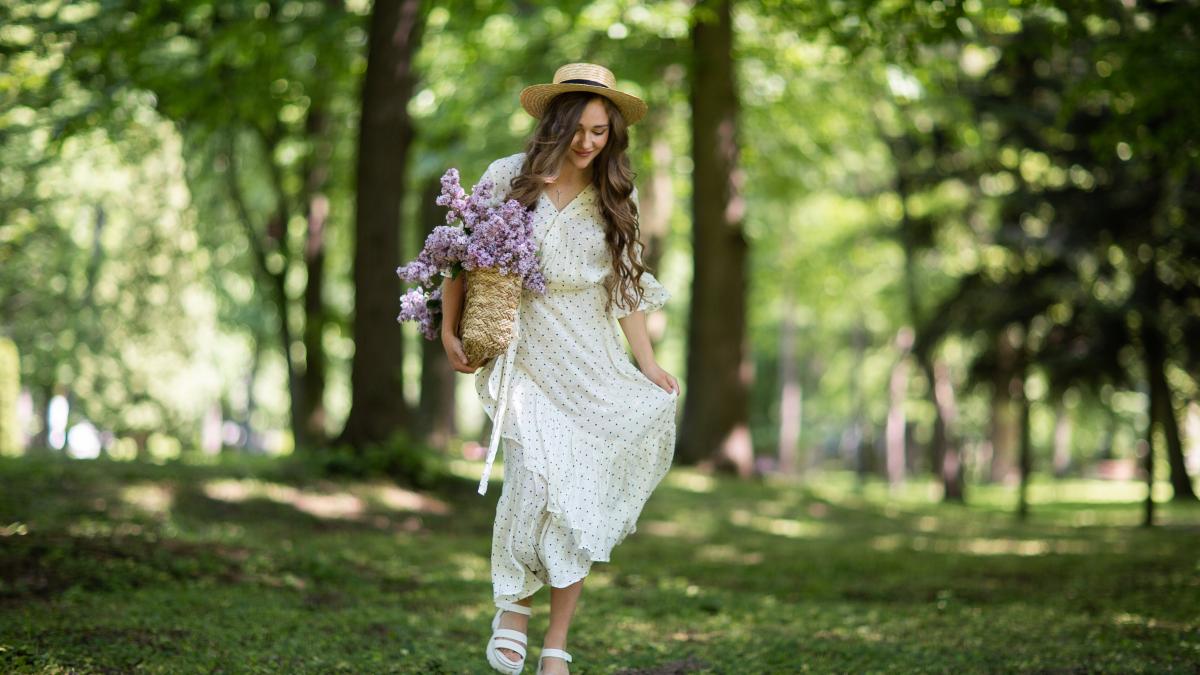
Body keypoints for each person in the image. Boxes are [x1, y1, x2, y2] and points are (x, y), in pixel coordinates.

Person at [439, 63, 680, 675]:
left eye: (601, 131)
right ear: (554, 121)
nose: (588, 142)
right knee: (533, 483)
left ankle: (557, 644)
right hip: (526, 357)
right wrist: (447, 328)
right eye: (578, 128)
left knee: (577, 503)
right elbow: (457, 258)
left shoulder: (614, 201)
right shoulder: (506, 179)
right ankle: (513, 607)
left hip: (591, 363)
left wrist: (648, 365)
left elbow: (626, 294)